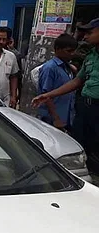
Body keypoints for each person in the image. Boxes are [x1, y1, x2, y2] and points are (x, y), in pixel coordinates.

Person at [34, 18, 99, 173]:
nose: (85, 37)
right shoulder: (91, 56)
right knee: (82, 146)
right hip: (85, 108)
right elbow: (78, 81)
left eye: (90, 32)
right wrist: (49, 95)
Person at [37, 34, 78, 131]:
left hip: (66, 116)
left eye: (73, 51)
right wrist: (56, 118)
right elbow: (46, 95)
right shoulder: (50, 68)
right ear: (58, 49)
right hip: (52, 119)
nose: (72, 54)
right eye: (69, 51)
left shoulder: (68, 68)